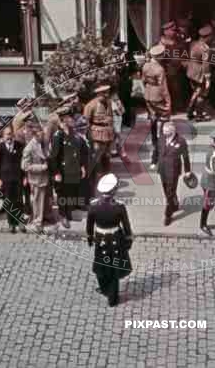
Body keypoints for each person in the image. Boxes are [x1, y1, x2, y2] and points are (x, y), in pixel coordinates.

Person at [86, 173, 133, 307]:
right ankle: (113, 297)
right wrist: (129, 240)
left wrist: (90, 238)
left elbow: (89, 226)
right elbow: (126, 226)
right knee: (114, 268)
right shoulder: (119, 206)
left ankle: (105, 288)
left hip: (100, 240)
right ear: (113, 190)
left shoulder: (93, 206)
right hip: (116, 240)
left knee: (101, 265)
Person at [51, 107, 88, 229]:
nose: (73, 120)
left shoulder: (73, 133)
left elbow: (80, 151)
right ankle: (63, 215)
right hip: (62, 171)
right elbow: (54, 156)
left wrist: (82, 166)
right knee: (62, 194)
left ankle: (69, 212)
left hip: (73, 169)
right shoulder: (58, 136)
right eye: (71, 118)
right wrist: (56, 172)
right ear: (64, 119)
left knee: (70, 192)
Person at [143, 44, 172, 170]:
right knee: (164, 128)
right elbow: (163, 88)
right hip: (158, 97)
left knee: (153, 125)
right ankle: (159, 157)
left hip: (148, 95)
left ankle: (154, 158)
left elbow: (144, 80)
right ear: (159, 56)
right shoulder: (160, 69)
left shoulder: (145, 65)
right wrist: (168, 102)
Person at [22, 121, 54, 233]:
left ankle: (46, 216)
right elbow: (25, 166)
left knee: (46, 199)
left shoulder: (43, 143)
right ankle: (37, 222)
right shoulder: (29, 148)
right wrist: (41, 167)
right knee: (38, 201)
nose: (43, 136)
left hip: (46, 177)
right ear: (35, 134)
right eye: (41, 134)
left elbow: (47, 154)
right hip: (37, 179)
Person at [157, 121, 191, 226]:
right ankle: (175, 204)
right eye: (163, 130)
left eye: (166, 131)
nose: (163, 132)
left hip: (173, 171)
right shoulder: (161, 139)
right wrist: (154, 161)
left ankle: (168, 215)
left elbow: (185, 157)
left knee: (170, 193)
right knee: (166, 190)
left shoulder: (181, 141)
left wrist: (187, 171)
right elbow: (157, 150)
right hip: (162, 169)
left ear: (172, 131)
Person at [0, 126, 26, 234]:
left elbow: (24, 162)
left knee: (19, 201)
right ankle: (11, 223)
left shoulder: (19, 145)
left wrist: (25, 177)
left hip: (18, 178)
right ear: (3, 136)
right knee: (8, 201)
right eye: (7, 134)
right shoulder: (1, 146)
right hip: (6, 179)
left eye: (11, 134)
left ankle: (20, 221)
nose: (9, 136)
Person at [84, 85, 115, 179]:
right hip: (96, 135)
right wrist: (88, 136)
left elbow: (111, 117)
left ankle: (107, 175)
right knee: (97, 156)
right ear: (98, 94)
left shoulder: (108, 102)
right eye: (104, 93)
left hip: (108, 134)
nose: (107, 95)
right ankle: (97, 175)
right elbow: (86, 122)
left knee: (107, 155)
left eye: (107, 93)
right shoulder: (91, 105)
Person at [186, 25, 212, 122]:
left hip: (191, 71)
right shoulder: (205, 48)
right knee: (201, 94)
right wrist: (208, 78)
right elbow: (206, 64)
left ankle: (189, 111)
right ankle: (199, 115)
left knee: (196, 92)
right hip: (199, 73)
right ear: (207, 37)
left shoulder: (193, 43)